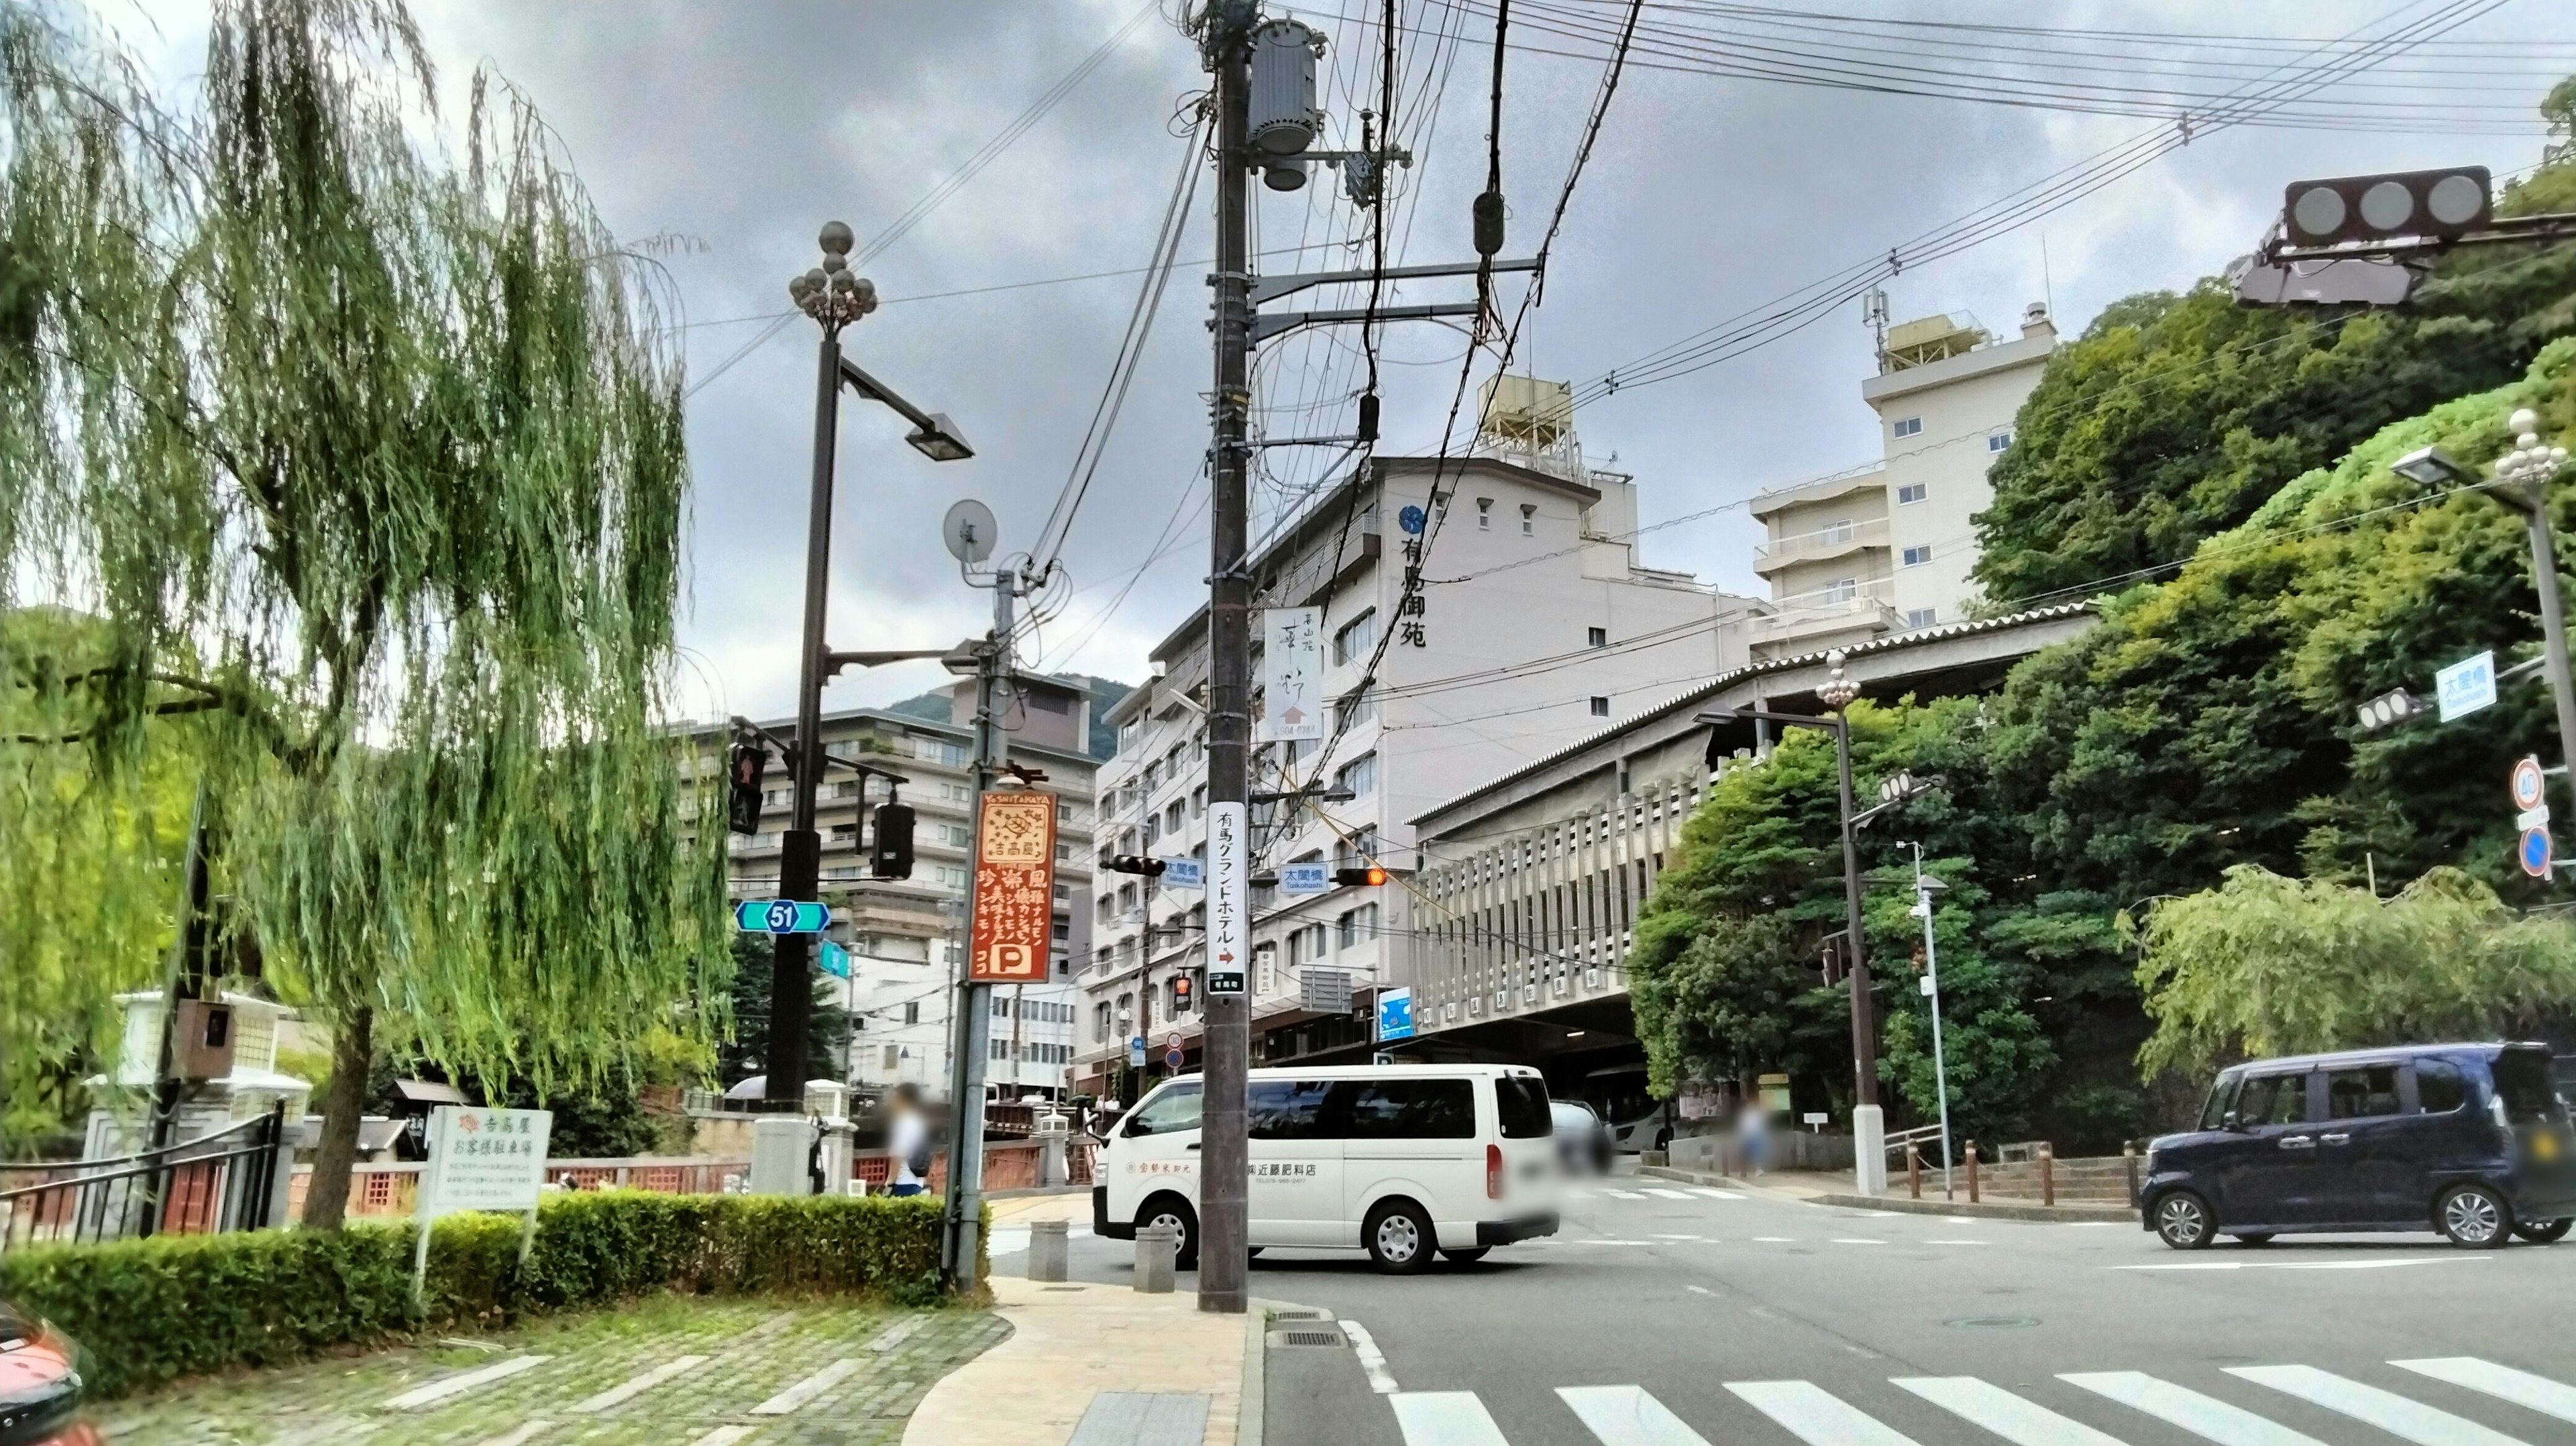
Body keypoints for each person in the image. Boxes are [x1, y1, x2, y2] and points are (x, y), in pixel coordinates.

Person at [885, 1082, 932, 1197]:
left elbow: (899, 1152)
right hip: (916, 1181)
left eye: (895, 1098)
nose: (892, 1103)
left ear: (905, 1101)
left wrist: (891, 1180)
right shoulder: (918, 1121)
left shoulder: (904, 1121)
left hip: (903, 1181)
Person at [1735, 1097, 1770, 1178]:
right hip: (1748, 1136)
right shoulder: (1746, 1115)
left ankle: (1758, 1169)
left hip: (1757, 1135)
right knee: (1746, 1154)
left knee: (1757, 1153)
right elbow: (1744, 1127)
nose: (1750, 1106)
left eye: (1752, 1105)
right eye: (1749, 1105)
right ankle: (1743, 1171)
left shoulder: (1757, 1114)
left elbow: (1761, 1124)